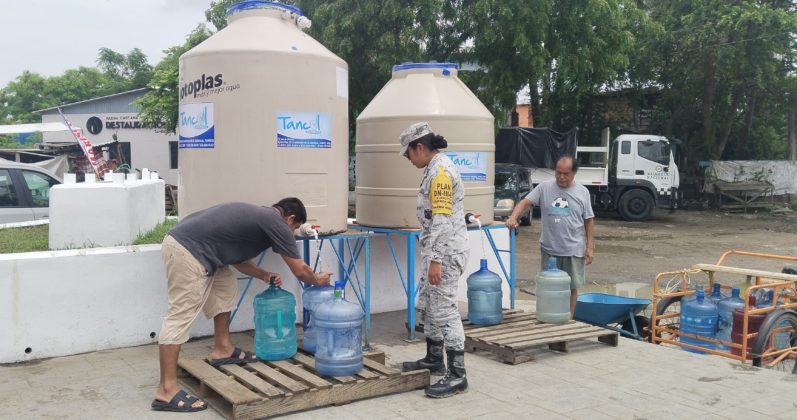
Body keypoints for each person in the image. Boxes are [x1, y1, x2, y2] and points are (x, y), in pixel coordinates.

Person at [151, 198, 331, 412]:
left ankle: (223, 349)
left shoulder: (259, 219)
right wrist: (317, 280)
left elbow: (237, 259)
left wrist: (263, 275)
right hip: (188, 250)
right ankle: (166, 390)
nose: (291, 234)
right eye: (294, 228)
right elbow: (300, 270)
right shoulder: (277, 223)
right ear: (290, 219)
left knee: (225, 285)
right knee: (180, 315)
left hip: (194, 246)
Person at [398, 122, 469, 398]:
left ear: (419, 147)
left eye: (408, 153)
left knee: (444, 309)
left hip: (446, 253)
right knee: (428, 304)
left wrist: (436, 259)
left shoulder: (440, 173)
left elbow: (441, 218)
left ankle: (458, 375)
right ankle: (434, 358)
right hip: (436, 251)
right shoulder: (433, 168)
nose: (408, 159)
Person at [506, 155, 594, 319]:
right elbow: (525, 202)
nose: (561, 177)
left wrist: (589, 248)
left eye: (566, 174)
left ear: (574, 173)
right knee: (548, 286)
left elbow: (588, 221)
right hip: (550, 250)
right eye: (558, 172)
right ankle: (549, 317)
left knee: (571, 287)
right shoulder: (544, 187)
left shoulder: (583, 192)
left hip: (573, 249)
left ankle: (568, 320)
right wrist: (513, 217)